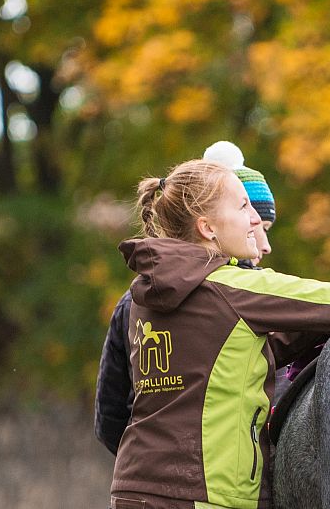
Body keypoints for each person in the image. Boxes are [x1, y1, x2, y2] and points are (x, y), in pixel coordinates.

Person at [104, 159, 330, 508]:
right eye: (243, 207)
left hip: (136, 487)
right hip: (206, 493)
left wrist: (313, 329)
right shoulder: (233, 289)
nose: (254, 219)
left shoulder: (147, 294)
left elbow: (231, 356)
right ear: (207, 227)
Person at [94, 140, 278, 455]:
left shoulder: (133, 298)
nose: (264, 244)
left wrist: (149, 464)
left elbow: (110, 419)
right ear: (212, 224)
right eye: (256, 224)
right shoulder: (256, 296)